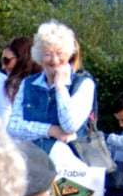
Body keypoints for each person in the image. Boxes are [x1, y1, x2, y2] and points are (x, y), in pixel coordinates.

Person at [6, 20, 95, 160]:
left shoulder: (84, 84)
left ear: (68, 54)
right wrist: (51, 130)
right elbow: (13, 127)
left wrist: (60, 86)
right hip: (33, 165)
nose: (54, 60)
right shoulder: (28, 84)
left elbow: (70, 125)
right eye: (48, 53)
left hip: (71, 170)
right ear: (39, 57)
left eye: (60, 53)